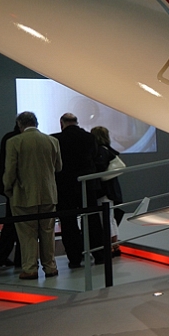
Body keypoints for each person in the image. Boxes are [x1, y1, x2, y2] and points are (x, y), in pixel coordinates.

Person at [4, 111, 62, 280]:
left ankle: (30, 268)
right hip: (48, 194)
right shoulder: (52, 141)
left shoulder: (14, 142)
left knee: (27, 234)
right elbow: (59, 167)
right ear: (36, 123)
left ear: (20, 125)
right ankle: (50, 267)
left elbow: (10, 171)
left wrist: (8, 189)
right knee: (47, 232)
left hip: (23, 195)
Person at [52, 112, 103, 267]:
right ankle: (99, 254)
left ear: (62, 123)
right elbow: (95, 157)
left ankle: (74, 258)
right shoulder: (89, 138)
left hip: (65, 186)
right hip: (87, 185)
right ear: (77, 122)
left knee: (68, 223)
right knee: (92, 220)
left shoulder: (56, 139)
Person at [0, 120, 22, 268]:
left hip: (10, 188)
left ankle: (1, 257)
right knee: (20, 225)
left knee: (10, 224)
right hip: (18, 188)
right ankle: (18, 259)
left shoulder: (8, 138)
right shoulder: (17, 139)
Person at [91, 126, 125, 252]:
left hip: (103, 190)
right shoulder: (109, 151)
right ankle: (115, 244)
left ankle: (110, 246)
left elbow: (100, 169)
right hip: (111, 190)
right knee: (110, 218)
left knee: (105, 219)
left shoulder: (100, 152)